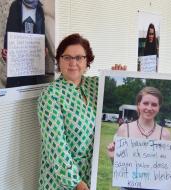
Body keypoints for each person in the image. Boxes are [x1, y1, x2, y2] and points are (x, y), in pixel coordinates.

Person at [37, 33, 126, 190]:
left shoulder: (96, 85)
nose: (73, 63)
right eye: (67, 57)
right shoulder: (50, 95)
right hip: (61, 179)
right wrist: (76, 183)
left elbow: (130, 95)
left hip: (91, 174)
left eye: (79, 57)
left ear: (87, 61)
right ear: (59, 60)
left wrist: (119, 75)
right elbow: (56, 146)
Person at [107, 87, 171, 190]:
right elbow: (120, 167)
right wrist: (113, 157)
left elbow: (165, 171)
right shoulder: (124, 129)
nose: (149, 108)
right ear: (138, 105)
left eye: (154, 104)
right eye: (145, 103)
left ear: (159, 107)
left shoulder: (165, 134)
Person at [2, 0, 53, 88]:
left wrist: (43, 47)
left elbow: (42, 31)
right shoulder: (16, 5)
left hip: (33, 54)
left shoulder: (39, 8)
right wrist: (6, 48)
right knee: (16, 84)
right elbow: (9, 28)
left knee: (32, 85)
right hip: (19, 52)